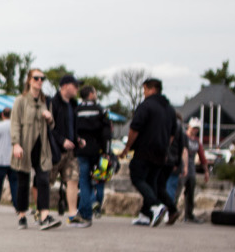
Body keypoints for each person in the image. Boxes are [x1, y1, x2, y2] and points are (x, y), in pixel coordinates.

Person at [122, 77, 177, 226]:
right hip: (161, 151)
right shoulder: (169, 109)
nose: (144, 93)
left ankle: (155, 205)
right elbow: (173, 133)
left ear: (150, 88)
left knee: (137, 177)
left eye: (144, 89)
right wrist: (165, 146)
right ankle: (145, 215)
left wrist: (127, 147)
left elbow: (135, 128)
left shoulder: (146, 106)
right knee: (151, 182)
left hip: (145, 149)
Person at [11, 68, 61, 230]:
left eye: (42, 78)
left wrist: (50, 117)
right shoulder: (21, 100)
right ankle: (22, 215)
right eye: (36, 78)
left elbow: (52, 125)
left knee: (43, 179)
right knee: (23, 181)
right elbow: (15, 123)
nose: (40, 81)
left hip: (42, 146)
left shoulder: (45, 101)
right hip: (25, 145)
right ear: (29, 80)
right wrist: (16, 144)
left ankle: (44, 215)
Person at [73, 85, 112, 227]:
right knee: (100, 178)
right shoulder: (102, 111)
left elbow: (73, 130)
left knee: (83, 180)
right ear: (90, 94)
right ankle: (96, 202)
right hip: (99, 152)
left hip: (82, 151)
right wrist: (107, 152)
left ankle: (85, 212)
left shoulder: (76, 111)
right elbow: (107, 133)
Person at [49, 74, 83, 222]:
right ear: (64, 86)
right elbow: (49, 127)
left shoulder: (74, 105)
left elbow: (74, 127)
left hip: (71, 151)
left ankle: (72, 214)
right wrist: (61, 141)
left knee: (73, 179)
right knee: (45, 181)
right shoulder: (53, 103)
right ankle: (39, 210)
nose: (77, 88)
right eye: (74, 85)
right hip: (54, 150)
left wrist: (78, 139)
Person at [180, 117, 209, 222]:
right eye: (193, 128)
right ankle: (171, 211)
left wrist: (206, 171)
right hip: (181, 166)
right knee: (177, 189)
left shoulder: (197, 141)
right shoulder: (183, 137)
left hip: (191, 168)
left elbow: (202, 156)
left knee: (190, 190)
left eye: (197, 128)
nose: (195, 130)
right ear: (189, 126)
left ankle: (189, 215)